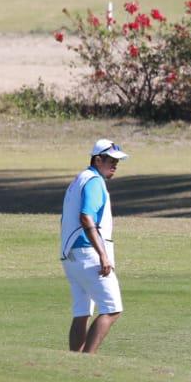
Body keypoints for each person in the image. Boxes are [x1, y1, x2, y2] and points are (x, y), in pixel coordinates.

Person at [60, 138, 127, 353]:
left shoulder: (79, 179)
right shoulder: (94, 182)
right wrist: (103, 255)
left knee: (82, 311)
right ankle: (87, 362)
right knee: (112, 309)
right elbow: (86, 218)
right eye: (111, 160)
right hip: (89, 254)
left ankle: (73, 360)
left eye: (118, 161)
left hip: (71, 256)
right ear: (98, 159)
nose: (115, 165)